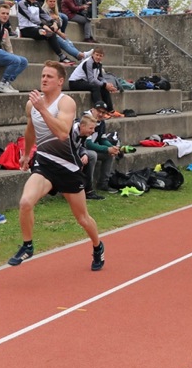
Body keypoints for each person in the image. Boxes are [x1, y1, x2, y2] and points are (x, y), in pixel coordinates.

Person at [7, 61, 105, 271]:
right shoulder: (32, 104)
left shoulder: (65, 103)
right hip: (44, 164)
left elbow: (62, 133)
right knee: (25, 202)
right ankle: (27, 245)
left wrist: (43, 110)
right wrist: (26, 154)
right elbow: (31, 130)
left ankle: (98, 246)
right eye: (42, 76)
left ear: (60, 81)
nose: (44, 79)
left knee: (82, 219)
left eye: (49, 77)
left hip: (68, 168)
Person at [18, 0, 82, 62]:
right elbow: (31, 17)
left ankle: (70, 54)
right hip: (26, 29)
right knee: (49, 33)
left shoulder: (36, 4)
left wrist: (53, 22)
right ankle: (62, 56)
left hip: (36, 28)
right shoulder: (22, 3)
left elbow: (43, 14)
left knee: (52, 31)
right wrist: (43, 25)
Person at [68, 48, 117, 113]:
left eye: (100, 56)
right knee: (96, 87)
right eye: (97, 55)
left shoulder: (99, 64)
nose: (98, 57)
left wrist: (107, 85)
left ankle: (110, 111)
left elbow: (100, 77)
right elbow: (91, 80)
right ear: (92, 55)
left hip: (85, 82)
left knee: (103, 88)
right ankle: (99, 111)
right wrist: (105, 85)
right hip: (75, 82)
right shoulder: (88, 62)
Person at [86, 101, 120, 193]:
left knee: (109, 154)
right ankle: (88, 187)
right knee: (93, 155)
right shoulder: (86, 119)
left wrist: (112, 148)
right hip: (80, 149)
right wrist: (107, 149)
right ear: (93, 110)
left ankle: (103, 183)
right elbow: (87, 143)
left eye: (103, 112)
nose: (100, 114)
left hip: (89, 149)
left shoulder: (101, 122)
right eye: (99, 111)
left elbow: (102, 139)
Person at [75, 113, 107, 200]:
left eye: (94, 128)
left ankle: (88, 190)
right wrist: (78, 160)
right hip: (64, 155)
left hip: (74, 153)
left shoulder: (83, 133)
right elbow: (68, 150)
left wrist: (84, 154)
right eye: (91, 128)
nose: (93, 131)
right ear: (82, 126)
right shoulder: (73, 132)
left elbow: (82, 146)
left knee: (89, 156)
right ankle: (79, 189)